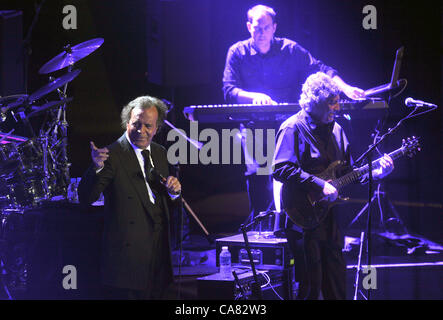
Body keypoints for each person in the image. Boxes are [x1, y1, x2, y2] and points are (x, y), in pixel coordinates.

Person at [222, 4, 365, 223]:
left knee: (293, 174)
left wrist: (345, 88)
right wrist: (254, 97)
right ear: (248, 26)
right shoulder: (237, 52)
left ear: (274, 28)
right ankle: (260, 229)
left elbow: (321, 69)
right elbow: (229, 90)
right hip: (254, 126)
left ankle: (293, 223)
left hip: (287, 126)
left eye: (266, 28)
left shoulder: (290, 49)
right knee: (258, 178)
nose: (261, 33)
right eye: (257, 28)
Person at [272, 72, 394, 299]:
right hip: (303, 218)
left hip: (330, 220)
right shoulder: (293, 128)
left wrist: (377, 173)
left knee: (337, 287)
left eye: (337, 102)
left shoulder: (338, 130)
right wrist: (319, 184)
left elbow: (349, 174)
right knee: (310, 287)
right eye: (332, 103)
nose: (337, 108)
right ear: (315, 103)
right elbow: (280, 169)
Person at [78, 95, 181, 300]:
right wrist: (96, 168)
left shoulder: (160, 153)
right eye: (136, 124)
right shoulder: (111, 155)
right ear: (127, 123)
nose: (141, 131)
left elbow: (163, 201)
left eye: (148, 126)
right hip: (127, 261)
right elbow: (86, 197)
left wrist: (173, 192)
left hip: (158, 252)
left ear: (157, 128)